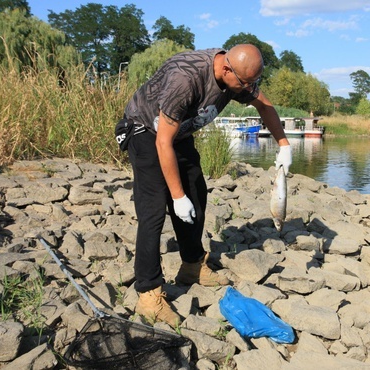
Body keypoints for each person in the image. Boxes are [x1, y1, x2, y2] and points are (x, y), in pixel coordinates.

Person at [115, 44, 292, 325]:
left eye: (252, 83)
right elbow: (162, 142)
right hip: (146, 132)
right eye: (245, 83)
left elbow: (264, 105)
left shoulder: (238, 75)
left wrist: (283, 144)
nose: (248, 89)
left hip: (178, 134)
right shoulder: (185, 79)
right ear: (225, 69)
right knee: (153, 210)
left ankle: (192, 266)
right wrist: (176, 196)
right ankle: (148, 293)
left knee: (196, 195)